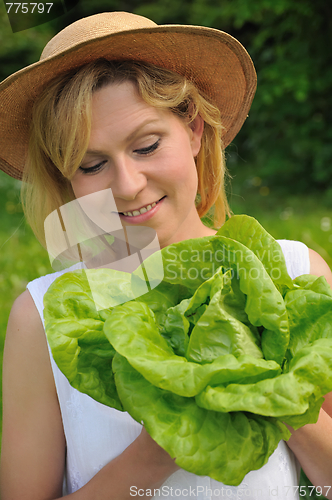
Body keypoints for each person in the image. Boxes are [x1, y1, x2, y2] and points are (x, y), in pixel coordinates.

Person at [0, 11, 332, 500]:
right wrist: (155, 456)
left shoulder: (293, 272)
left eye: (147, 146)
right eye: (92, 165)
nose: (128, 186)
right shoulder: (44, 319)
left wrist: (269, 389)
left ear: (195, 131)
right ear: (67, 180)